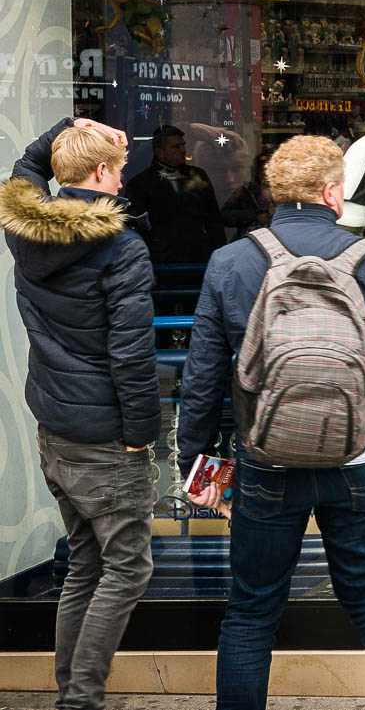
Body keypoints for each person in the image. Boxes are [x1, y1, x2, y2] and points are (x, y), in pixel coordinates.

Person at [176, 135, 365, 710]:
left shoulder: (230, 261)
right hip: (355, 458)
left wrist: (199, 467)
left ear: (272, 193)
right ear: (331, 193)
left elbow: (201, 380)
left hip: (264, 460)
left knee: (251, 610)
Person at [0, 119, 160, 710]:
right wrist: (142, 436)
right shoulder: (121, 247)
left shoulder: (26, 230)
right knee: (127, 569)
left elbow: (24, 171)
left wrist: (68, 129)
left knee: (85, 565)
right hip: (104, 437)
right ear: (99, 174)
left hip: (55, 427)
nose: (122, 179)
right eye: (117, 168)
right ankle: (80, 699)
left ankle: (75, 691)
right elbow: (131, 354)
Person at [125, 124, 226, 264]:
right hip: (160, 263)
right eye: (176, 147)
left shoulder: (198, 176)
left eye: (183, 145)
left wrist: (219, 256)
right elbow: (136, 229)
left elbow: (214, 221)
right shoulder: (140, 184)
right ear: (159, 152)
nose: (183, 150)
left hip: (198, 259)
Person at [220, 151, 273, 237]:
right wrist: (255, 216)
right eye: (263, 172)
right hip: (251, 240)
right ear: (258, 173)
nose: (266, 175)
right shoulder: (245, 190)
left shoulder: (284, 193)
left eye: (271, 171)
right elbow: (225, 216)